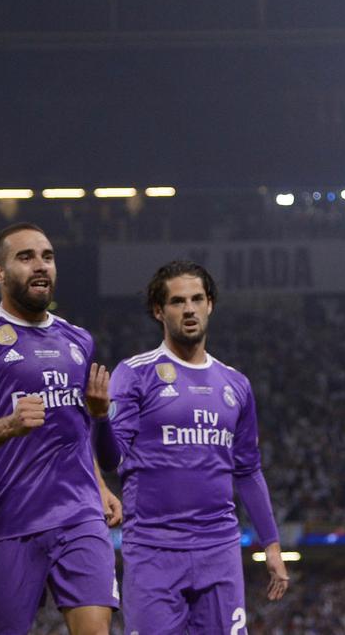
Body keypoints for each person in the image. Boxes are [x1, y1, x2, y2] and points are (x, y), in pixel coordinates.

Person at [0, 222, 119, 635]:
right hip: (11, 521)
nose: (41, 266)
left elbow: (73, 430)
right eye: (26, 257)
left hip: (80, 516)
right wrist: (10, 424)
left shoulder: (78, 340)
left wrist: (101, 484)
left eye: (48, 256)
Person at [95, 260, 289, 633]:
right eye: (177, 301)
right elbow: (109, 459)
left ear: (210, 304)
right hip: (153, 550)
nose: (189, 309)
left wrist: (272, 546)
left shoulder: (236, 385)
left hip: (219, 550)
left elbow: (247, 471)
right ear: (158, 310)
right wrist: (101, 419)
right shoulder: (135, 374)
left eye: (197, 299)